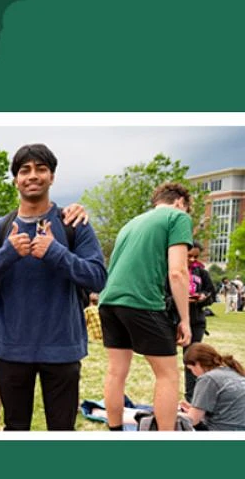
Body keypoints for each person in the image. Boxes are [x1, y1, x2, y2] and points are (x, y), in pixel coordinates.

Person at [0, 143, 107, 431]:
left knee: (62, 428)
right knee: (16, 427)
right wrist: (7, 253)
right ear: (16, 179)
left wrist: (56, 252)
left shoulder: (73, 223)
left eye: (41, 169)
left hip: (62, 347)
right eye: (24, 170)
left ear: (52, 177)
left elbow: (98, 278)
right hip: (11, 348)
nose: (33, 176)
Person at [99, 181, 194, 431]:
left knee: (116, 372)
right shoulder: (177, 217)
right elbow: (178, 272)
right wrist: (185, 320)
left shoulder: (131, 224)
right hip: (141, 302)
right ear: (180, 202)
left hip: (109, 302)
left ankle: (115, 431)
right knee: (168, 375)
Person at [179, 343, 245, 431]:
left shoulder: (208, 378)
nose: (193, 374)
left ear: (197, 364)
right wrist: (194, 408)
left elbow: (192, 420)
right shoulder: (234, 373)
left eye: (191, 369)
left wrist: (175, 414)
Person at [185, 242, 215, 400]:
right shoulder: (169, 271)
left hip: (196, 320)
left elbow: (211, 294)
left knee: (192, 359)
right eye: (188, 256)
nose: (191, 260)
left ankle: (191, 397)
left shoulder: (201, 272)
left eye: (195, 257)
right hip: (172, 320)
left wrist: (202, 298)